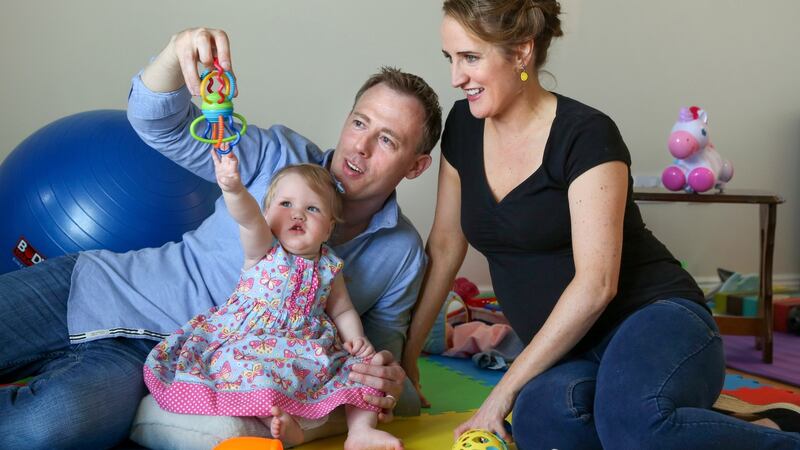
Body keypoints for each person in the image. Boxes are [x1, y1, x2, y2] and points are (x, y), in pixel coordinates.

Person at [0, 27, 441, 449]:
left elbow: (382, 345)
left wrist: (385, 373)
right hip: (109, 286)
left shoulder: (400, 252)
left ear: (416, 166)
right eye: (359, 123)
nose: (360, 147)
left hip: (166, 364)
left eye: (386, 139)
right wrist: (176, 53)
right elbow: (157, 124)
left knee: (47, 427)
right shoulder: (276, 155)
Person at [402, 1, 800, 449]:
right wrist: (408, 358)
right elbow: (445, 245)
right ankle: (707, 422)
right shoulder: (462, 125)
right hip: (567, 351)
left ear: (521, 53)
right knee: (542, 426)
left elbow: (597, 285)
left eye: (470, 58)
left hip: (656, 318)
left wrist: (500, 394)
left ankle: (771, 434)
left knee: (635, 428)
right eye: (450, 59)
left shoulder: (587, 134)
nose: (456, 77)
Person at [145, 159, 402, 449]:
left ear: (329, 229)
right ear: (267, 214)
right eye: (286, 204)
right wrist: (234, 189)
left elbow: (342, 309)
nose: (298, 215)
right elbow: (248, 218)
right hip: (252, 339)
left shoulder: (329, 265)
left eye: (312, 209)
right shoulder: (264, 249)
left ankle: (360, 432)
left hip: (307, 346)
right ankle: (276, 423)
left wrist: (357, 339)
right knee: (249, 369)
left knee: (362, 370)